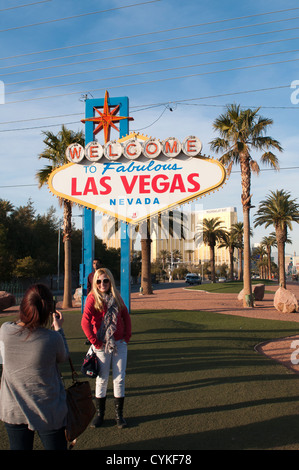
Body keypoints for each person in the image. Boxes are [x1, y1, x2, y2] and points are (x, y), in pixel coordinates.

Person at [0, 284, 69, 450]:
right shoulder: (52, 338)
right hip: (48, 409)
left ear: (23, 306)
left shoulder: (5, 330)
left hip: (13, 409)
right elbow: (63, 356)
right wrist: (59, 328)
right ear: (48, 311)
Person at [81, 268, 131, 429]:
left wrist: (127, 337)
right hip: (102, 344)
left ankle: (119, 415)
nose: (102, 284)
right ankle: (100, 415)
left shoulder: (116, 297)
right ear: (95, 283)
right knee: (102, 379)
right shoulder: (92, 298)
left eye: (105, 280)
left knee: (119, 378)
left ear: (110, 281)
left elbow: (125, 316)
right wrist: (95, 342)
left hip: (119, 343)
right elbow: (85, 322)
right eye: (99, 281)